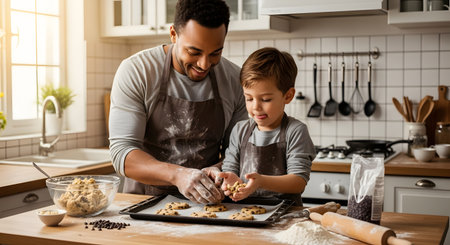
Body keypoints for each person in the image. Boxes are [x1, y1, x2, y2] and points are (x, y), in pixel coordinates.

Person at [108, 0, 247, 204]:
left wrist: (218, 171)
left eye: (215, 53)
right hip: (144, 204)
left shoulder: (235, 79)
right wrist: (179, 175)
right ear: (173, 34)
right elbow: (122, 153)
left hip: (210, 206)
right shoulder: (137, 71)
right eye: (194, 52)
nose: (204, 64)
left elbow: (238, 153)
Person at [219, 47, 316, 205]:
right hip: (245, 213)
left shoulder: (295, 131)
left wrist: (261, 181)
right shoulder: (240, 130)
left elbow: (298, 182)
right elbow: (230, 168)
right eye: (249, 98)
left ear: (288, 96)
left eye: (265, 99)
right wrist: (229, 179)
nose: (256, 107)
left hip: (285, 215)